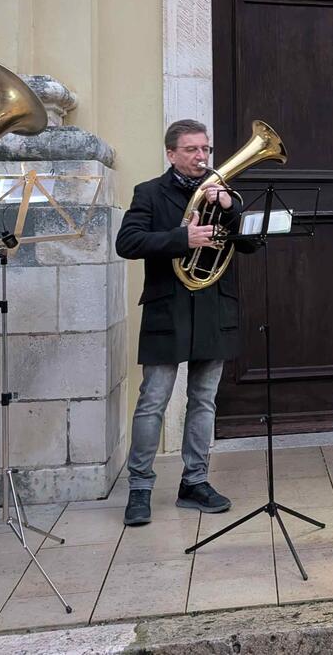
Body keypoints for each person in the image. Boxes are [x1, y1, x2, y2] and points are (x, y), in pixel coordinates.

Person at [116, 118, 253, 526]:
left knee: (204, 401)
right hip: (168, 308)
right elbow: (128, 242)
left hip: (213, 308)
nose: (201, 157)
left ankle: (195, 482)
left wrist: (231, 208)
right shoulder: (149, 193)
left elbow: (250, 243)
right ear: (171, 154)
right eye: (192, 150)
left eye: (205, 150)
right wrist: (182, 239)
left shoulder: (223, 196)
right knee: (152, 402)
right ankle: (140, 487)